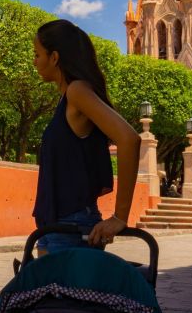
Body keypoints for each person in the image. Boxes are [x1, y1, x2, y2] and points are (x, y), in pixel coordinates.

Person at [30, 19, 141, 254]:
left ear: (55, 57)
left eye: (37, 54)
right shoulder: (67, 97)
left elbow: (129, 139)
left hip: (72, 225)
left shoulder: (77, 91)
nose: (34, 61)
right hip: (54, 226)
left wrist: (120, 216)